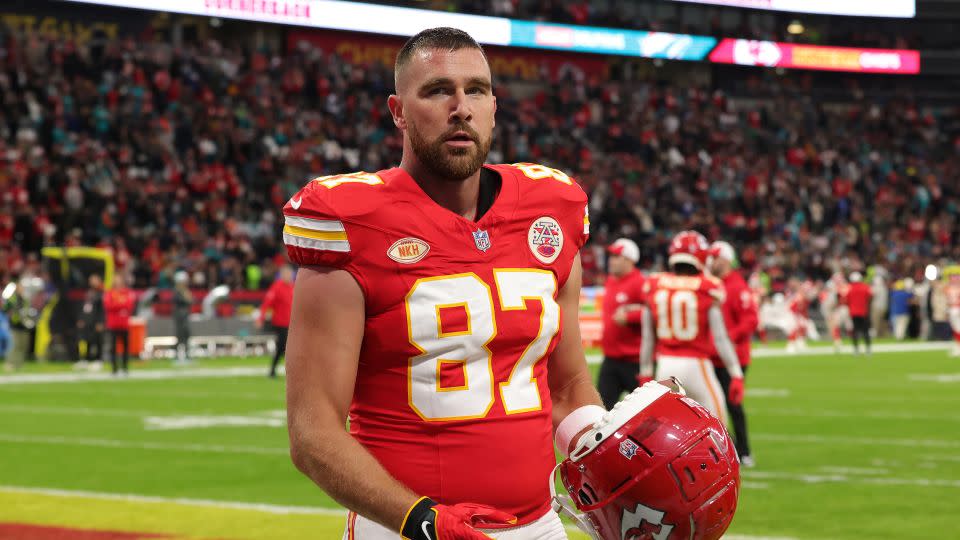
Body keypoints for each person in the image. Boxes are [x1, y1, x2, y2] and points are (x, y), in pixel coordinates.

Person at [282, 27, 603, 540]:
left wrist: (609, 453)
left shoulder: (553, 207)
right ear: (398, 111)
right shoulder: (350, 220)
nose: (461, 107)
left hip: (540, 525)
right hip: (405, 528)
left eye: (476, 90)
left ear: (494, 107)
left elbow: (566, 388)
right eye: (437, 90)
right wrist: (424, 521)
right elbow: (313, 432)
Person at [640, 231, 744, 423]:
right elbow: (720, 338)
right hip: (696, 365)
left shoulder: (655, 284)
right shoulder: (707, 287)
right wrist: (736, 374)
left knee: (669, 430)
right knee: (718, 427)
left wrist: (645, 372)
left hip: (664, 367)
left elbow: (647, 337)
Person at [708, 241, 758, 467]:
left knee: (733, 405)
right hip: (711, 357)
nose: (710, 261)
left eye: (715, 257)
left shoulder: (737, 287)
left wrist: (728, 338)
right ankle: (725, 449)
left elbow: (751, 320)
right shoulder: (712, 284)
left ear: (726, 260)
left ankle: (744, 451)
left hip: (732, 359)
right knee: (711, 405)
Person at [597, 238, 645, 409]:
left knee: (643, 413)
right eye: (611, 256)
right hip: (611, 358)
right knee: (601, 411)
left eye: (617, 256)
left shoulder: (640, 283)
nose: (611, 260)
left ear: (629, 260)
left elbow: (653, 312)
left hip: (634, 361)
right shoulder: (611, 280)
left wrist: (630, 317)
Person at [257, 265, 294, 378]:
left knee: (283, 347)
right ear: (282, 275)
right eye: (286, 274)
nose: (288, 276)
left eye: (289, 274)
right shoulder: (277, 287)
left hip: (292, 323)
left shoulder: (294, 287)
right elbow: (267, 304)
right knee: (285, 346)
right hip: (280, 323)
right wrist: (261, 318)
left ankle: (274, 370)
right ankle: (283, 370)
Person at [103, 274, 135, 376]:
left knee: (126, 347)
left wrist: (117, 304)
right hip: (113, 324)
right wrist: (121, 304)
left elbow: (129, 305)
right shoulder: (109, 293)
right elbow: (108, 306)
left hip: (124, 324)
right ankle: (114, 369)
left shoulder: (126, 292)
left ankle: (125, 368)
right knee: (113, 347)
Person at [77, 275, 105, 366]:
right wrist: (81, 318)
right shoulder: (89, 292)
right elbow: (84, 307)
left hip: (96, 321)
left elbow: (102, 309)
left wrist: (100, 322)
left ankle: (98, 360)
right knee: (86, 340)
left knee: (97, 340)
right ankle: (86, 359)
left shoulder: (102, 293)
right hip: (88, 320)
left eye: (94, 280)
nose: (92, 282)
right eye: (91, 280)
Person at [845, 272, 873, 356]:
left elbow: (847, 300)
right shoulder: (865, 287)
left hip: (853, 312)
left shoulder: (849, 288)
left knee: (855, 331)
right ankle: (868, 349)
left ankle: (856, 349)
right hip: (864, 312)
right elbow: (870, 297)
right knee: (865, 331)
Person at [172, 271, 193, 365]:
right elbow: (186, 301)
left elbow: (191, 301)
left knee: (186, 335)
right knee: (180, 336)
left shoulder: (184, 291)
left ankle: (187, 355)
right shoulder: (177, 291)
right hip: (180, 316)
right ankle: (177, 356)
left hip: (185, 315)